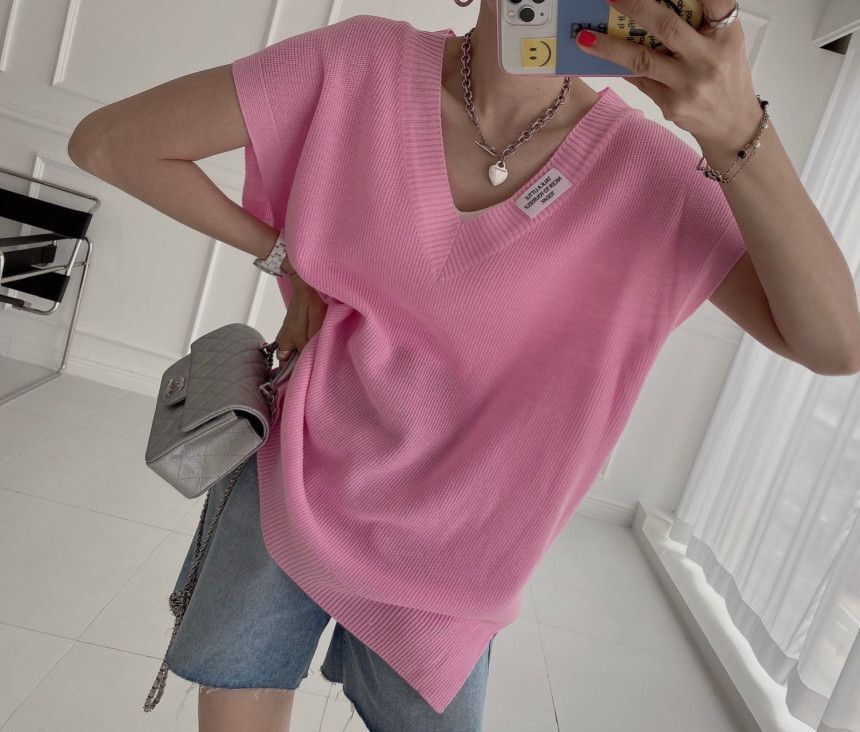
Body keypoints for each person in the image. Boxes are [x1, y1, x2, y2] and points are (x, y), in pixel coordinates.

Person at [67, 0, 860, 729]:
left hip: (458, 561)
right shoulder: (362, 64)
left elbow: (835, 344)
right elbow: (108, 143)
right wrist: (287, 259)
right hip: (290, 483)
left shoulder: (650, 174)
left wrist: (738, 132)